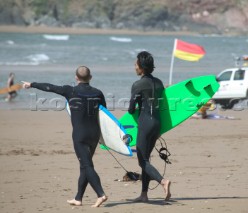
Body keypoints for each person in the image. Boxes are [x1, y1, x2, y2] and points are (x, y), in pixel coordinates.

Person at [22, 66, 108, 208]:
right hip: (94, 134)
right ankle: (78, 198)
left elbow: (50, 87)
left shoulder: (70, 90)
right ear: (90, 77)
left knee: (87, 165)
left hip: (80, 135)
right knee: (84, 166)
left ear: (76, 78)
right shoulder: (98, 93)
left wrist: (32, 84)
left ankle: (101, 194)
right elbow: (105, 115)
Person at [128, 51, 171, 202]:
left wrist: (138, 101)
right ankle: (144, 195)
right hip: (157, 123)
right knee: (146, 159)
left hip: (145, 123)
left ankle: (163, 181)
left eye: (135, 64)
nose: (134, 67)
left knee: (142, 160)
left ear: (141, 67)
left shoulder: (138, 85)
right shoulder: (159, 82)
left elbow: (131, 109)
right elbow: (163, 105)